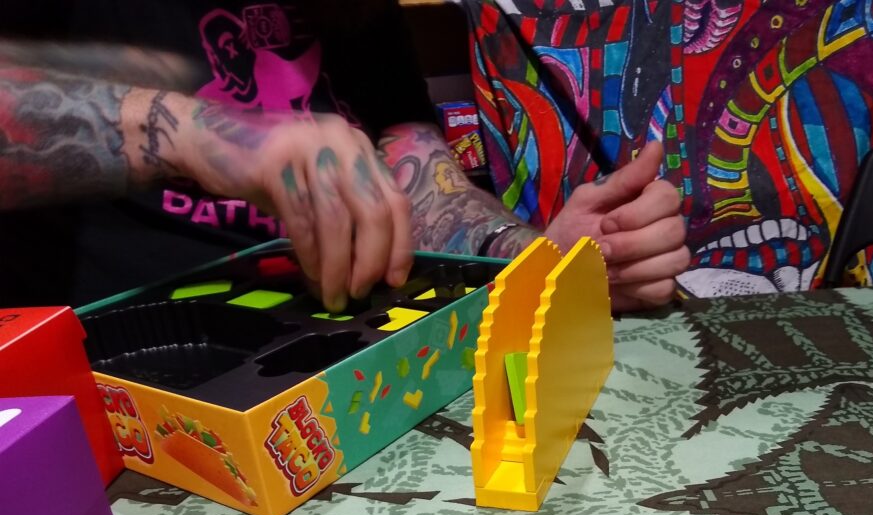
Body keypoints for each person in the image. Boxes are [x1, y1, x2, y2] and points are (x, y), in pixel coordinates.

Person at [0, 0, 689, 313]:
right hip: (118, 371)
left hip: (336, 350)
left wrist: (538, 263)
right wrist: (194, 131)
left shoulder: (355, 12)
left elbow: (422, 178)